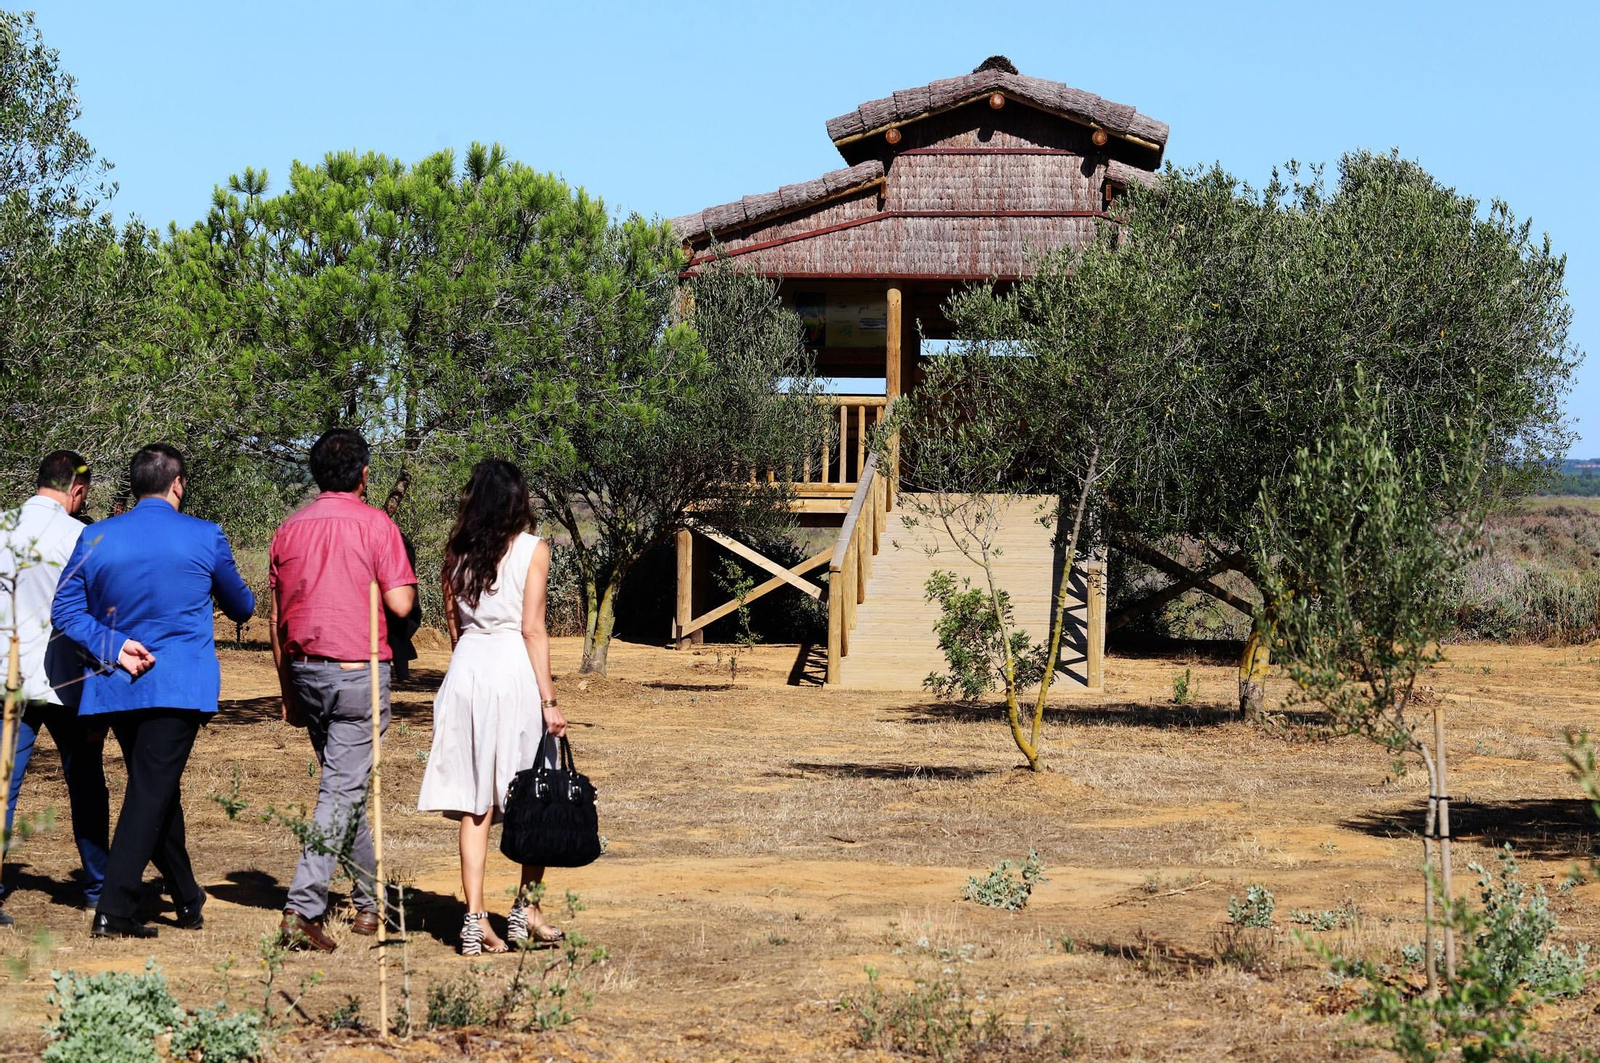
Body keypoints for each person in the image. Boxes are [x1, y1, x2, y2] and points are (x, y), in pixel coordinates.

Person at [52, 443, 255, 938]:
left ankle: (187, 896)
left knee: (154, 788)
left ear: (133, 485)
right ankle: (115, 910)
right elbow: (243, 607)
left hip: (118, 685)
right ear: (177, 484)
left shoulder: (95, 537)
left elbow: (64, 611)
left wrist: (114, 645)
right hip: (178, 686)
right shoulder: (204, 536)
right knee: (149, 791)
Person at [270, 429, 416, 952]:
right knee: (340, 789)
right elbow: (400, 605)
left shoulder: (288, 529)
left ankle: (368, 902)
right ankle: (302, 907)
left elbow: (274, 617)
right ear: (364, 474)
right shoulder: (378, 525)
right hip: (357, 673)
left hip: (305, 672)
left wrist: (286, 687)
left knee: (343, 786)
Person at [417, 460, 566, 955]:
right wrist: (549, 700)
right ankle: (525, 908)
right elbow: (532, 629)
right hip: (512, 672)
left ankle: (475, 918)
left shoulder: (454, 553)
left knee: (475, 801)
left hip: (466, 672)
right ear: (517, 500)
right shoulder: (533, 549)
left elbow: (455, 629)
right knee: (532, 794)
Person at [0, 451, 111, 926]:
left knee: (4, 784)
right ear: (77, 491)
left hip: (8, 677)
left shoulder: (3, 526)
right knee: (85, 783)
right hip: (66, 678)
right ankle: (97, 885)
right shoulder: (81, 536)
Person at [381, 483, 421, 683]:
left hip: (397, 588)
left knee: (397, 631)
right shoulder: (401, 541)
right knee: (398, 633)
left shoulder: (399, 542)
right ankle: (401, 674)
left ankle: (400, 673)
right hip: (401, 588)